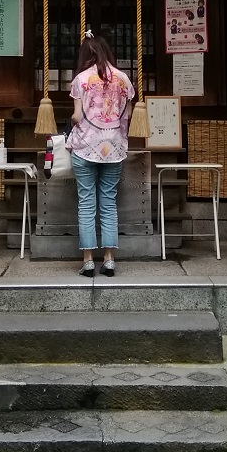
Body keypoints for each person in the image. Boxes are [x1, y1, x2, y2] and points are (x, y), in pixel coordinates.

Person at [67, 33, 135, 277]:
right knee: (108, 203)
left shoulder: (81, 80)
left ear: (86, 54)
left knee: (86, 203)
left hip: (85, 146)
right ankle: (108, 260)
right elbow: (126, 115)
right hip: (114, 147)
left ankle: (87, 261)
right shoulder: (123, 79)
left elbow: (76, 116)